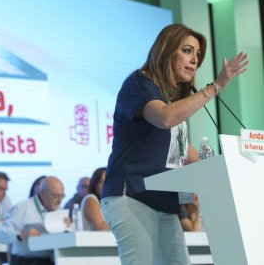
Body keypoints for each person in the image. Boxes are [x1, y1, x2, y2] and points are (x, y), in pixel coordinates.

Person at [101, 23, 248, 265]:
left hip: (164, 200)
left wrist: (217, 171)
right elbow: (165, 118)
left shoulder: (172, 96)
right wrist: (215, 87)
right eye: (188, 51)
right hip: (131, 195)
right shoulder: (138, 84)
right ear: (167, 50)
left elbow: (180, 146)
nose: (194, 60)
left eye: (198, 54)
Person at [0, 176, 66, 265]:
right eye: (55, 195)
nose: (59, 201)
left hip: (52, 259)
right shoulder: (23, 208)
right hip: (26, 260)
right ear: (42, 194)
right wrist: (23, 235)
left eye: (62, 196)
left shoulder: (59, 210)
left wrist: (68, 228)